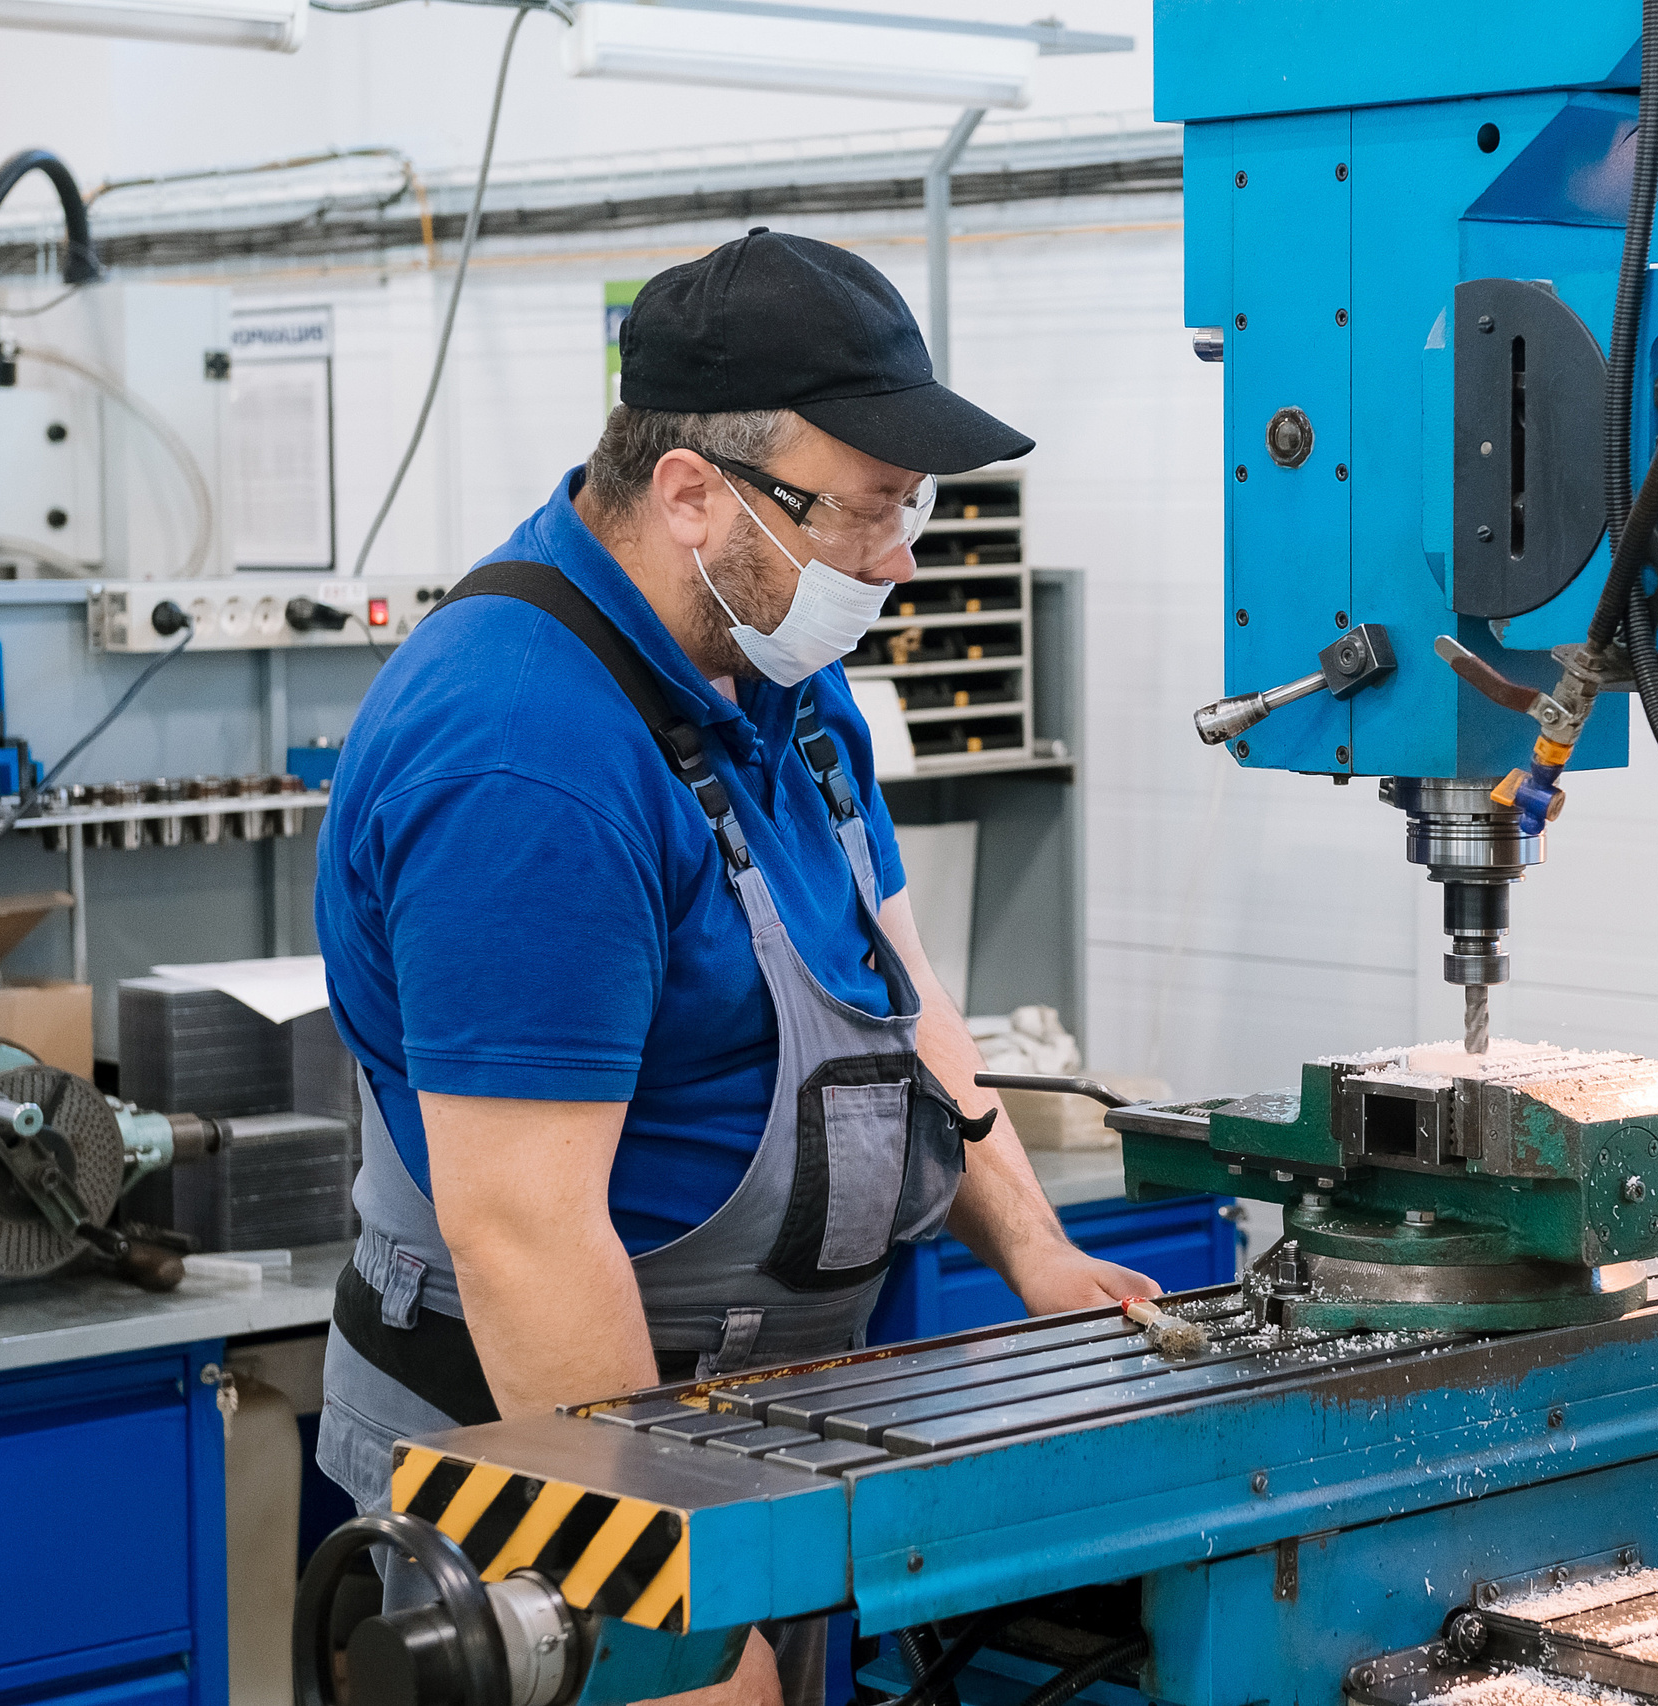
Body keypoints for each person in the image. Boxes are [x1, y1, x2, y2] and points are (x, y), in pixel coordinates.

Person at [313, 228, 1154, 1701]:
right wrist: (676, 1631)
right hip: (553, 1479)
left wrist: (1033, 1246)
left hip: (751, 1441)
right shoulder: (526, 754)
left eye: (913, 506)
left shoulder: (775, 669)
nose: (899, 558)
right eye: (867, 511)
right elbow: (525, 1238)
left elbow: (902, 995)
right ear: (695, 494)